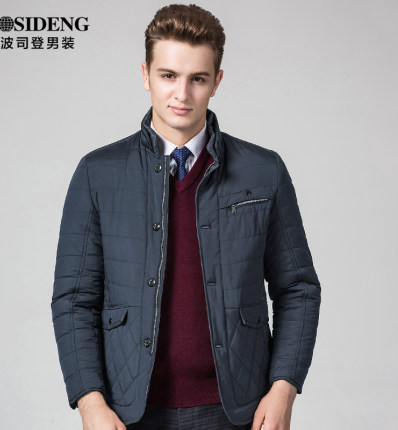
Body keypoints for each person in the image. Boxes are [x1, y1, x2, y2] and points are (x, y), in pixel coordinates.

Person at [51, 3, 321, 430]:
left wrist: (283, 389)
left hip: (239, 410)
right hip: (127, 413)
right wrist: (90, 403)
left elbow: (299, 288)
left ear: (217, 82)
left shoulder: (263, 171)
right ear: (145, 75)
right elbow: (74, 300)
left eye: (197, 78)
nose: (182, 94)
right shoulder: (97, 173)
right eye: (168, 76)